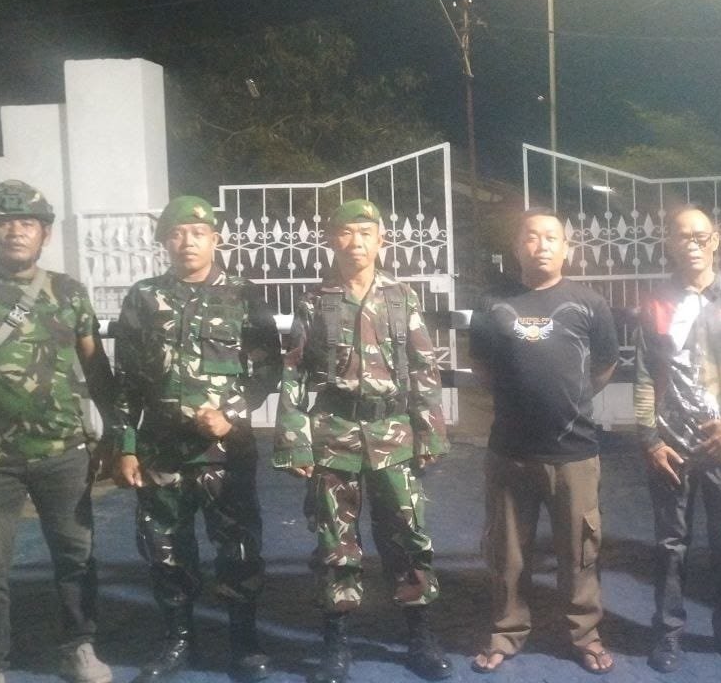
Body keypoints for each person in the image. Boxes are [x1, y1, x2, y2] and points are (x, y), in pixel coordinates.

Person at [274, 199, 452, 683]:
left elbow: (424, 367)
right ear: (333, 240)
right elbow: (294, 371)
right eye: (347, 233)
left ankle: (419, 635)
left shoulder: (401, 297)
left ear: (381, 240)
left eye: (366, 233)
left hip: (393, 434)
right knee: (335, 542)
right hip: (334, 433)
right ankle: (336, 643)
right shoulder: (315, 301)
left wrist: (430, 432)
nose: (356, 242)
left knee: (408, 535)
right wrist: (294, 439)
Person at [0, 180, 116, 683]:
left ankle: (79, 647)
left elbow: (97, 369)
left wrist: (117, 434)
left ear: (45, 233)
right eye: (4, 222)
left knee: (76, 558)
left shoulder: (68, 292)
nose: (16, 231)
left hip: (64, 453)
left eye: (27, 222)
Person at [111, 195, 282, 683]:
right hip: (161, 450)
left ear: (215, 239)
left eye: (198, 233)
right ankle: (177, 638)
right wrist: (126, 445)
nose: (188, 241)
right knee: (165, 547)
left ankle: (244, 641)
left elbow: (268, 369)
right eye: (177, 233)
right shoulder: (143, 297)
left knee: (238, 546)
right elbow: (126, 381)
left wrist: (231, 415)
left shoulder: (244, 294)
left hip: (226, 452)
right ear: (165, 242)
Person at [468, 208, 619, 676]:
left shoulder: (589, 303)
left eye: (552, 237)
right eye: (532, 237)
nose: (542, 245)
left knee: (580, 552)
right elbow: (482, 367)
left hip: (575, 452)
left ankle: (585, 635)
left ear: (566, 248)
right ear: (518, 247)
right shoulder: (492, 303)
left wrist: (569, 403)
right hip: (510, 451)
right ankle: (506, 632)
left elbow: (605, 366)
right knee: (507, 553)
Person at [633, 206, 721, 673]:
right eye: (681, 235)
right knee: (670, 544)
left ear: (716, 240)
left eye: (700, 235)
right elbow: (644, 374)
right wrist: (650, 439)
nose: (691, 243)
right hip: (670, 448)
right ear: (669, 243)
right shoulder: (655, 302)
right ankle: (668, 634)